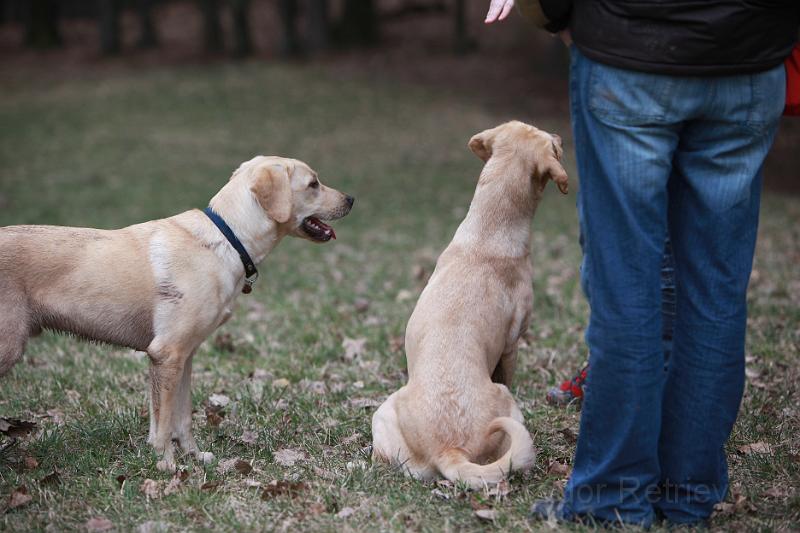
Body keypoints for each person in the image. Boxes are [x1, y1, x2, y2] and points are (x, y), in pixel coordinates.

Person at [487, 0, 798, 527]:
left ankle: (612, 499)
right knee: (717, 293)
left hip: (629, 50)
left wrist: (561, 17)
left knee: (627, 289)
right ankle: (687, 492)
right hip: (748, 54)